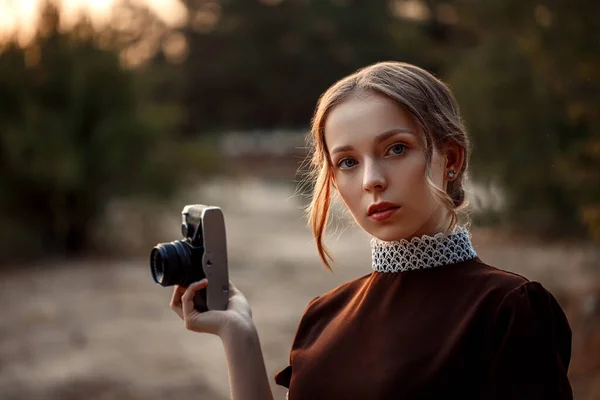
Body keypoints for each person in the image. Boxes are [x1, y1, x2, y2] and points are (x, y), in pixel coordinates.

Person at [168, 62, 573, 400]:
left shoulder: (507, 308)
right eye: (347, 162)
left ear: (450, 158)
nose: (371, 180)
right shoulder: (323, 315)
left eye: (396, 149)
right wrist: (238, 335)